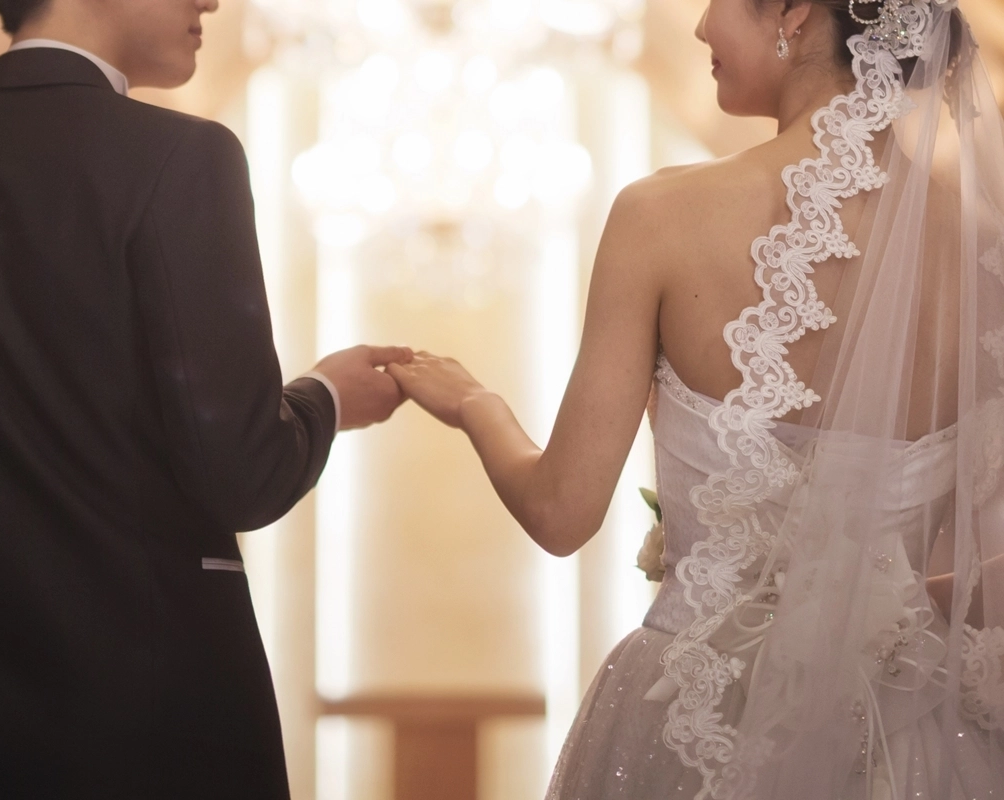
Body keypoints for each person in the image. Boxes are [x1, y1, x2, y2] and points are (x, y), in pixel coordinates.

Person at [389, 0, 1004, 796]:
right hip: (907, 737)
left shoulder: (660, 214)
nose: (699, 28)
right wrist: (884, 604)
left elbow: (561, 511)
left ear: (793, 14)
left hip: (694, 713)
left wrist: (476, 404)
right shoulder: (984, 251)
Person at [0, 0, 410, 797]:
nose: (211, 1)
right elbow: (242, 471)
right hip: (169, 744)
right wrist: (326, 397)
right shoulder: (184, 157)